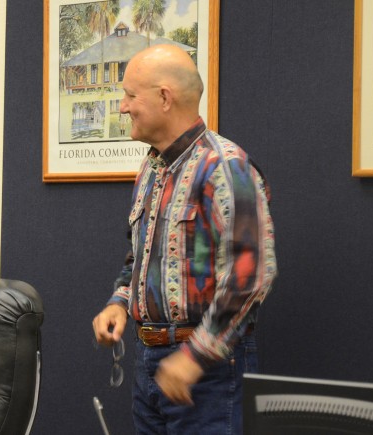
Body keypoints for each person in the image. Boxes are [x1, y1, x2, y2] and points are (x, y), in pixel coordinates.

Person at [92, 44, 277, 434]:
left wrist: (195, 357)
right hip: (149, 364)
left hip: (208, 374)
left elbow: (250, 275)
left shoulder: (226, 169)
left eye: (129, 96)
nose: (122, 107)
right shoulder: (151, 168)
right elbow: (139, 256)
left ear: (164, 98)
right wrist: (119, 303)